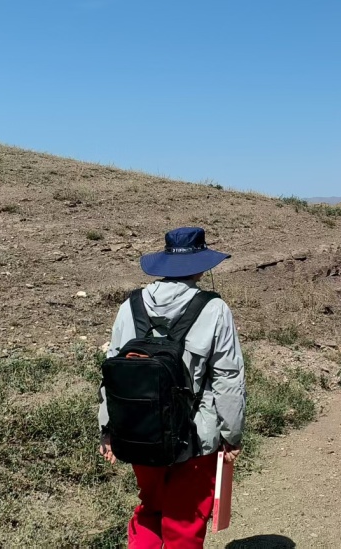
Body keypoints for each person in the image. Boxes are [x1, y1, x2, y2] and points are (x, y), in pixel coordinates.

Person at [98, 227, 246, 549]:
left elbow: (112, 374)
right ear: (201, 265)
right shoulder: (214, 309)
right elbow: (228, 378)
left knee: (150, 509)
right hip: (194, 437)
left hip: (138, 432)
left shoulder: (130, 305)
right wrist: (231, 435)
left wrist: (107, 429)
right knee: (184, 521)